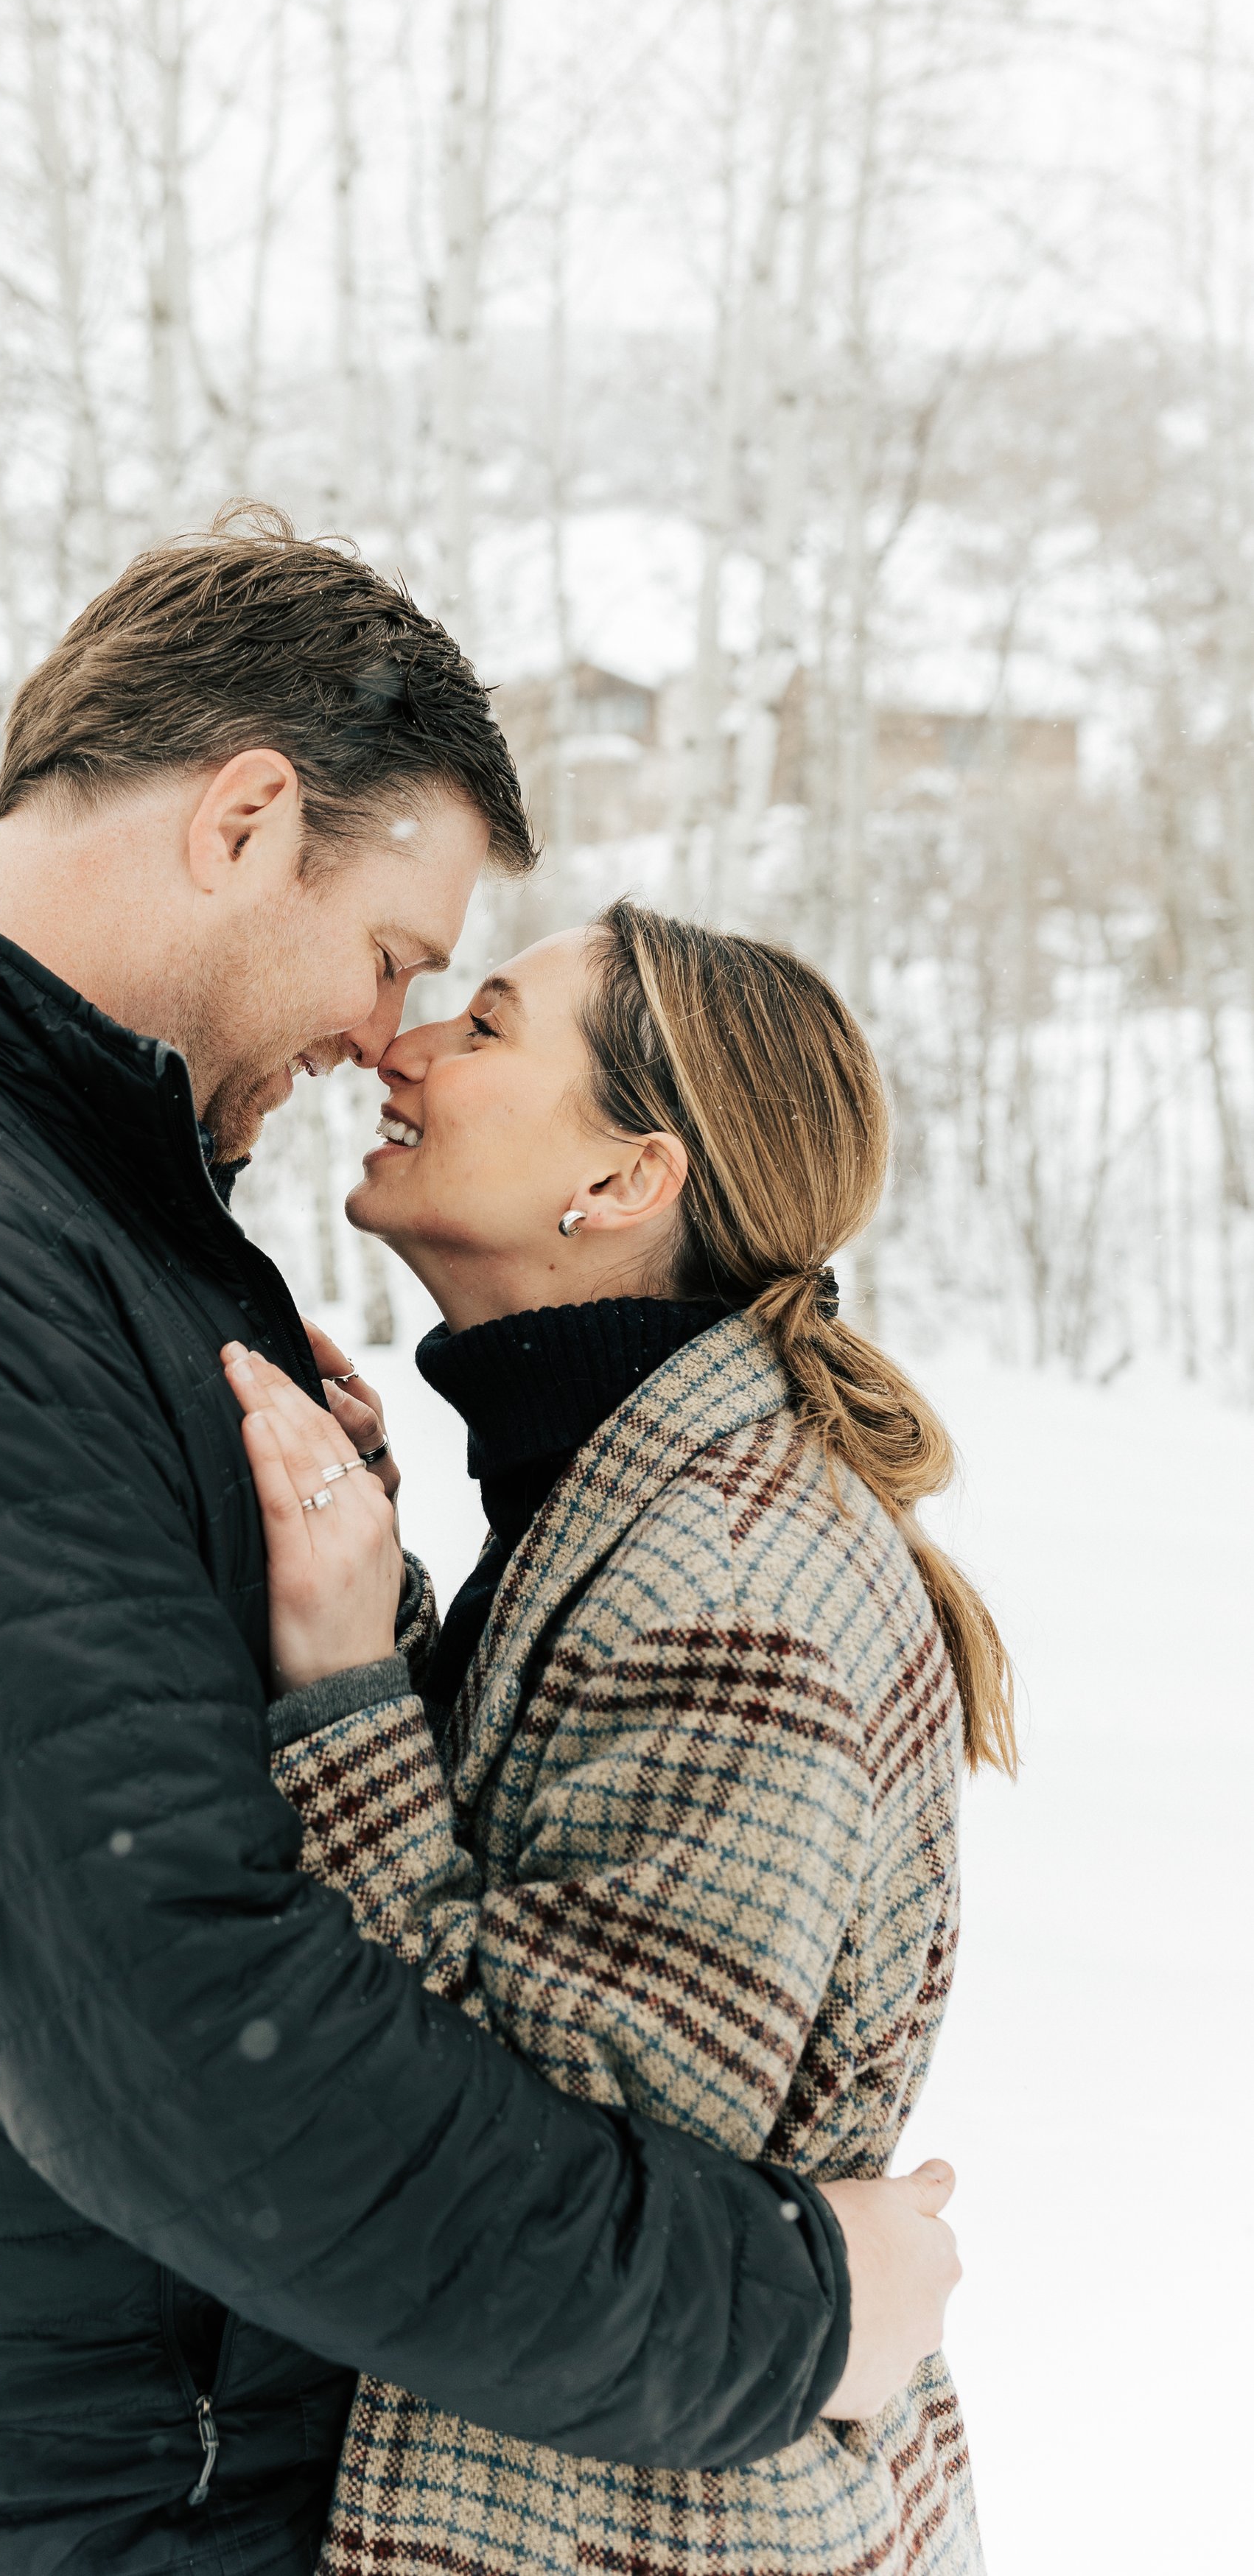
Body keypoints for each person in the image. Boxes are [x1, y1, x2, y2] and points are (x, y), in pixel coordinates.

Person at [0, 511, 961, 2576]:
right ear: (247, 816)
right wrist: (789, 2312)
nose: (383, 1034)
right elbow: (182, 2043)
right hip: (45, 2508)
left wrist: (358, 1631)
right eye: (392, 956)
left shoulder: (73, 1207)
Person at [223, 900, 1012, 2575]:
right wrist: (380, 1583)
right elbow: (543, 1862)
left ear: (622, 1183)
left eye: (488, 1027)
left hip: (630, 2524)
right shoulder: (628, 1485)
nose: (400, 1042)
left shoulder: (732, 1595)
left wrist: (348, 1697)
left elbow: (549, 2170)